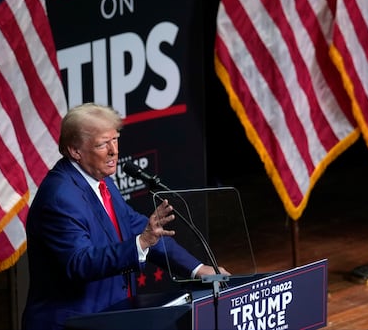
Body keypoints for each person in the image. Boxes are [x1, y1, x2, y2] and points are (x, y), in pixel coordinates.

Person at [22, 103, 227, 330]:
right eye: (102, 144)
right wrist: (141, 242)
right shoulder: (60, 198)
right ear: (75, 151)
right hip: (75, 323)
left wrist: (197, 269)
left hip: (113, 316)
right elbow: (79, 263)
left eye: (115, 139)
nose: (114, 151)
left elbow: (138, 226)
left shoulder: (102, 181)